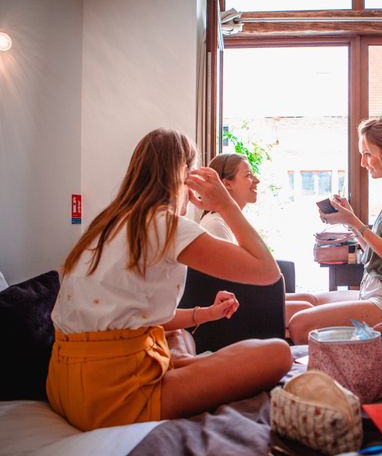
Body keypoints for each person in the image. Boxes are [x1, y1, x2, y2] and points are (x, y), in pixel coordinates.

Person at [47, 128, 292, 431]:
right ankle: (186, 367)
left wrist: (205, 314)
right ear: (184, 177)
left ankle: (186, 363)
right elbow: (268, 272)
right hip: (114, 397)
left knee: (181, 337)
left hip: (64, 383)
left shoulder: (106, 223)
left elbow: (126, 319)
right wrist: (225, 204)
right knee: (278, 353)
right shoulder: (163, 223)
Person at [287, 117, 382, 346]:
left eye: (367, 154)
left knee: (300, 323)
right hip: (375, 292)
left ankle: (319, 378)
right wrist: (350, 222)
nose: (363, 162)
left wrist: (356, 222)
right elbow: (378, 253)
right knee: (304, 302)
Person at [200, 153, 315, 323]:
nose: (256, 181)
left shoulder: (227, 223)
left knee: (310, 299)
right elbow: (224, 286)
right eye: (248, 175)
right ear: (227, 184)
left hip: (242, 298)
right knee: (306, 309)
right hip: (232, 310)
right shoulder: (216, 225)